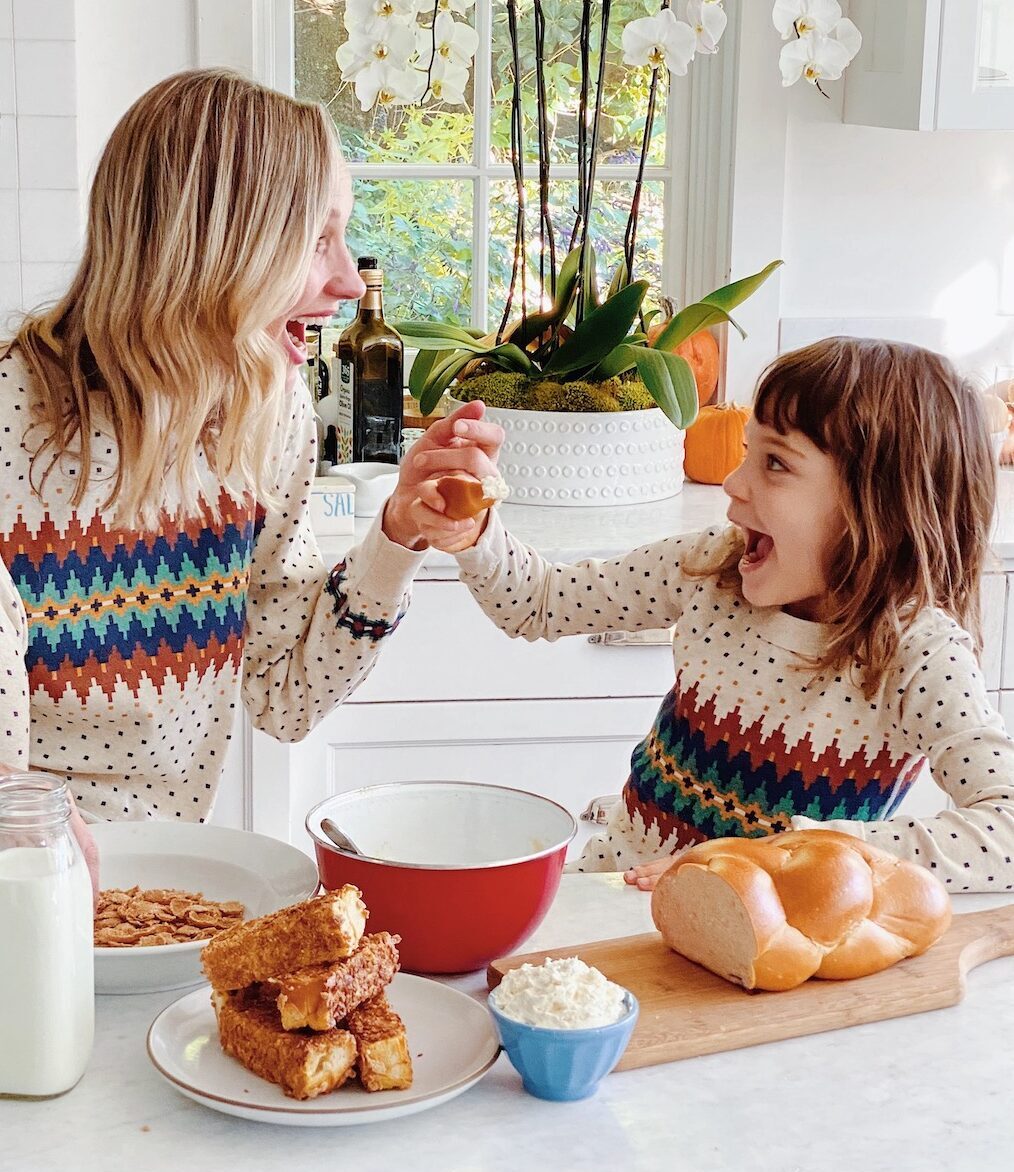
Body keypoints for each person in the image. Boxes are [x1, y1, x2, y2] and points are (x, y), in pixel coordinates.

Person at [0, 69, 501, 889]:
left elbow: (286, 695)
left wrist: (397, 540)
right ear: (214, 243)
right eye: (316, 238)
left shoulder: (271, 416)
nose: (347, 282)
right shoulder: (8, 418)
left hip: (168, 887)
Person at [407, 336, 1014, 894]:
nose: (733, 482)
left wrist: (788, 854)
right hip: (614, 900)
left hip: (759, 963)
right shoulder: (711, 565)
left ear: (879, 504)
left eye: (775, 463)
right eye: (748, 452)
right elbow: (537, 603)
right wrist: (476, 532)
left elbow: (1006, 832)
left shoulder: (916, 655)